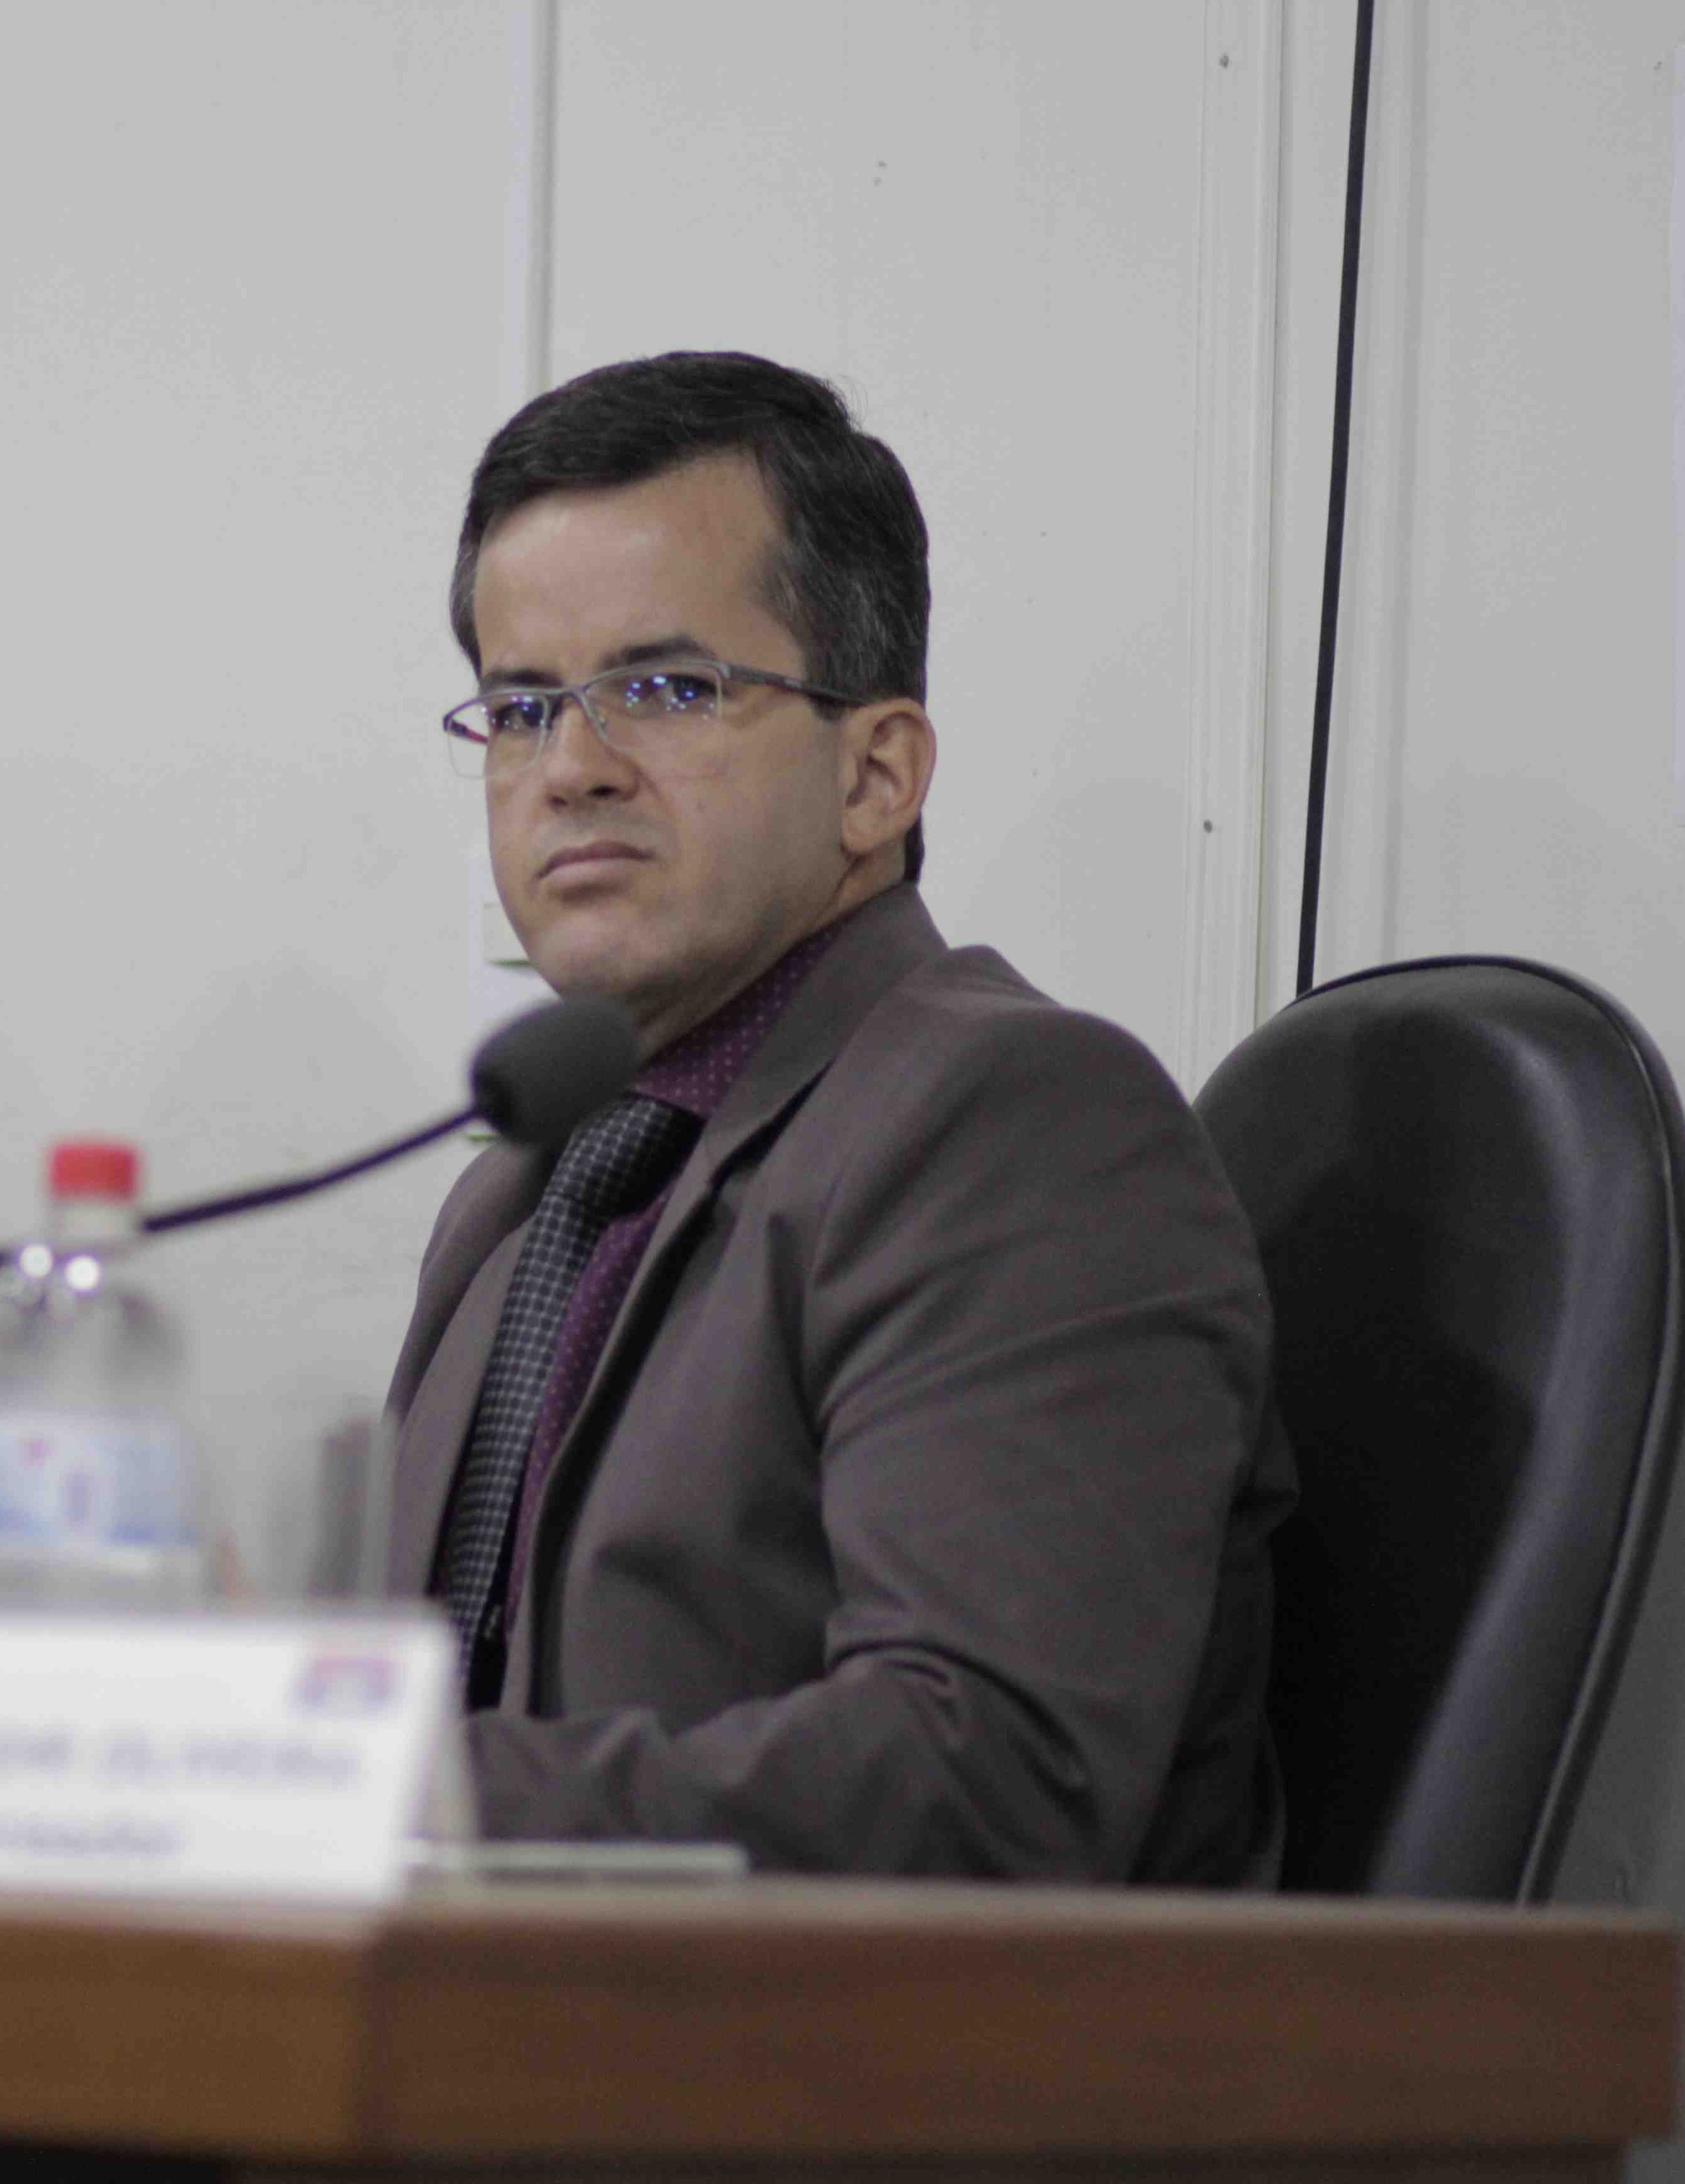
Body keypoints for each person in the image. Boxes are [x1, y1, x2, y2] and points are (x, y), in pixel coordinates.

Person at [388, 354, 1292, 1879]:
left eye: (665, 689)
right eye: (524, 707)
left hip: (879, 2031)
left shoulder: (1015, 1126)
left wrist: (412, 1795)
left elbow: (988, 1778)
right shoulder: (522, 1185)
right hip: (485, 2011)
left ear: (877, 774)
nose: (572, 770)